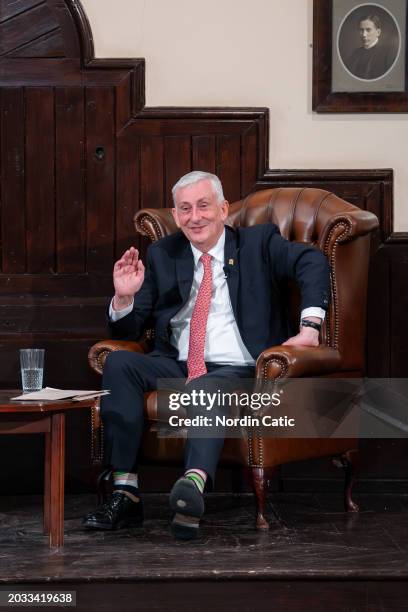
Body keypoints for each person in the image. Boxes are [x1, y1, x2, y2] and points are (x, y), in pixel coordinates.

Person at [82, 171, 330, 540]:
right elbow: (126, 332)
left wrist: (310, 326)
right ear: (175, 213)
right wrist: (123, 298)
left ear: (223, 208)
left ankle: (192, 488)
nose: (194, 217)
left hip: (240, 365)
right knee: (119, 362)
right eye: (185, 209)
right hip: (177, 361)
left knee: (210, 385)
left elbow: (312, 262)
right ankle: (125, 492)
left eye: (203, 206)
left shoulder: (258, 243)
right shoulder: (164, 254)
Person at [346, 14, 396, 80]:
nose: (364, 35)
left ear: (378, 32)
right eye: (361, 30)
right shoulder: (355, 54)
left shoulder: (389, 54)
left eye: (368, 30)